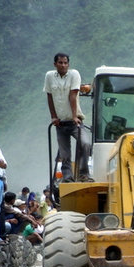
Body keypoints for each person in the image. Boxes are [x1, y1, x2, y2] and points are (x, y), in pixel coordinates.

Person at [44, 52, 93, 182]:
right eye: (60, 62)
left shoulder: (74, 74)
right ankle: (67, 177)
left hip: (75, 121)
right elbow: (49, 96)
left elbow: (73, 95)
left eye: (65, 63)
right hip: (60, 123)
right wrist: (53, 117)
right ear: (55, 64)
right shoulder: (49, 76)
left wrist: (74, 116)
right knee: (64, 154)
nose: (63, 65)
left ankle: (83, 174)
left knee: (85, 143)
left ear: (68, 64)